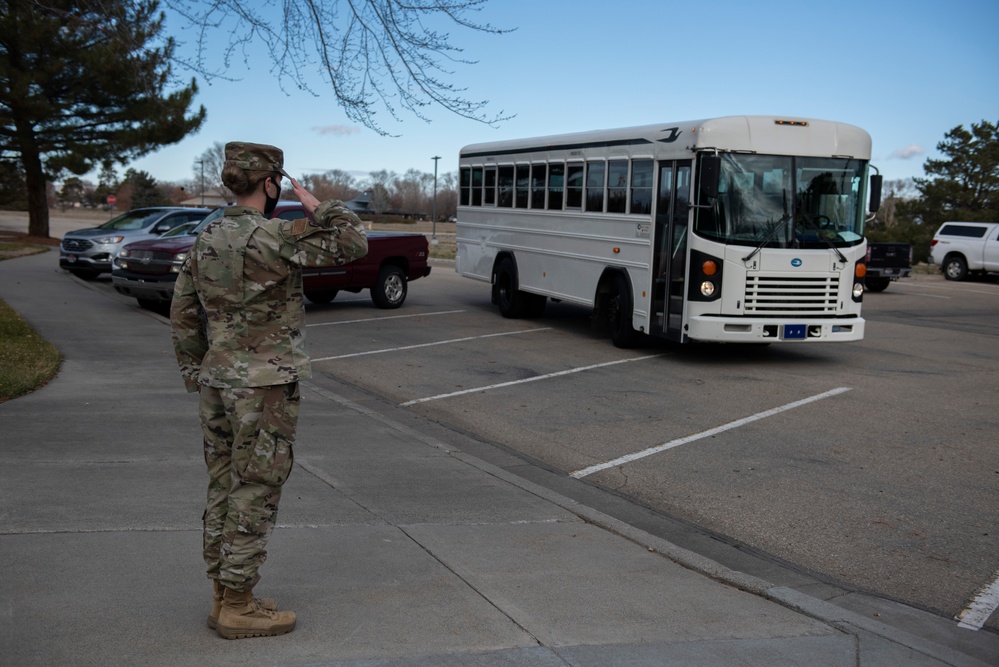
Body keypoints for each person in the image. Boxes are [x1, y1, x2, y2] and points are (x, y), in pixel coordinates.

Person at [170, 142, 368, 639]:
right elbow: (353, 243)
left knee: (223, 485)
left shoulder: (207, 234)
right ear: (270, 183)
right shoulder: (280, 235)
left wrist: (196, 371)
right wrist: (321, 205)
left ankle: (224, 594)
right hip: (264, 386)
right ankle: (238, 604)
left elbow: (184, 312)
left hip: (217, 382)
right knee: (256, 487)